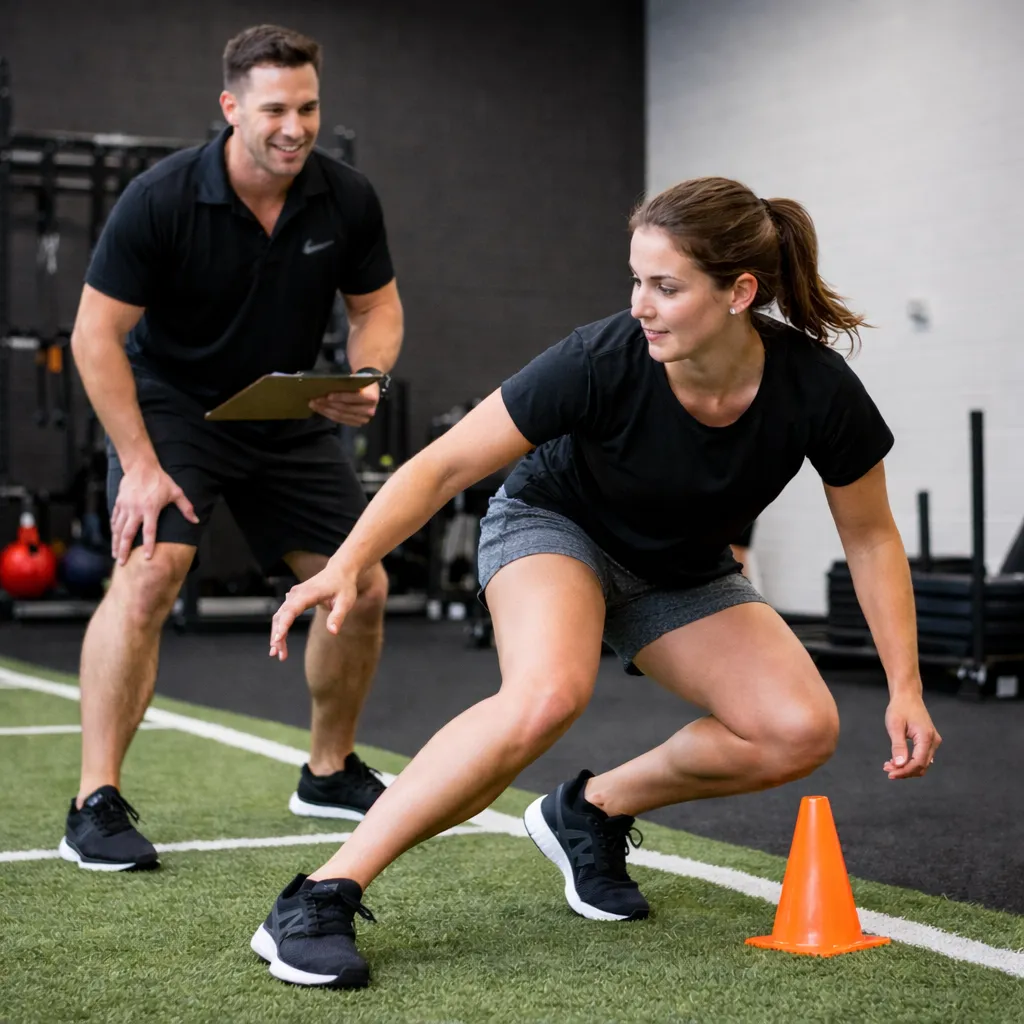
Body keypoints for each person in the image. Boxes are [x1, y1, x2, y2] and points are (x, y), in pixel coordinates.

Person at [253, 176, 940, 989]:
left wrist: (906, 685)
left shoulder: (815, 389)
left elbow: (870, 538)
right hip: (555, 527)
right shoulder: (603, 355)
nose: (640, 304)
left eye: (666, 286)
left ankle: (592, 810)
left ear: (739, 293)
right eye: (636, 280)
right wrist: (345, 565)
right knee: (546, 694)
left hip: (680, 569)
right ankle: (320, 895)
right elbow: (441, 468)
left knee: (798, 730)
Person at [61, 24, 404, 872]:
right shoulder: (163, 197)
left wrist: (366, 377)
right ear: (231, 107)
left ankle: (328, 772)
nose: (295, 126)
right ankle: (93, 802)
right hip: (176, 409)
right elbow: (95, 335)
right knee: (148, 573)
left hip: (284, 408)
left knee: (359, 585)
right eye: (276, 109)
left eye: (309, 107)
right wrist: (139, 464)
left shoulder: (346, 198)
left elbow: (377, 308)